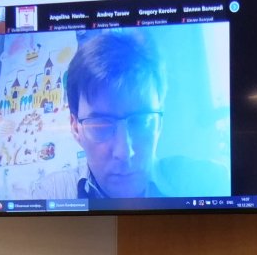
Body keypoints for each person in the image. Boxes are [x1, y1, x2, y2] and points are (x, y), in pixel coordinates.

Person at [42, 30, 224, 201]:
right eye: (100, 126)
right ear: (75, 128)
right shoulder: (49, 193)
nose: (124, 152)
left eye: (141, 122)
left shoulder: (209, 183)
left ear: (159, 122)